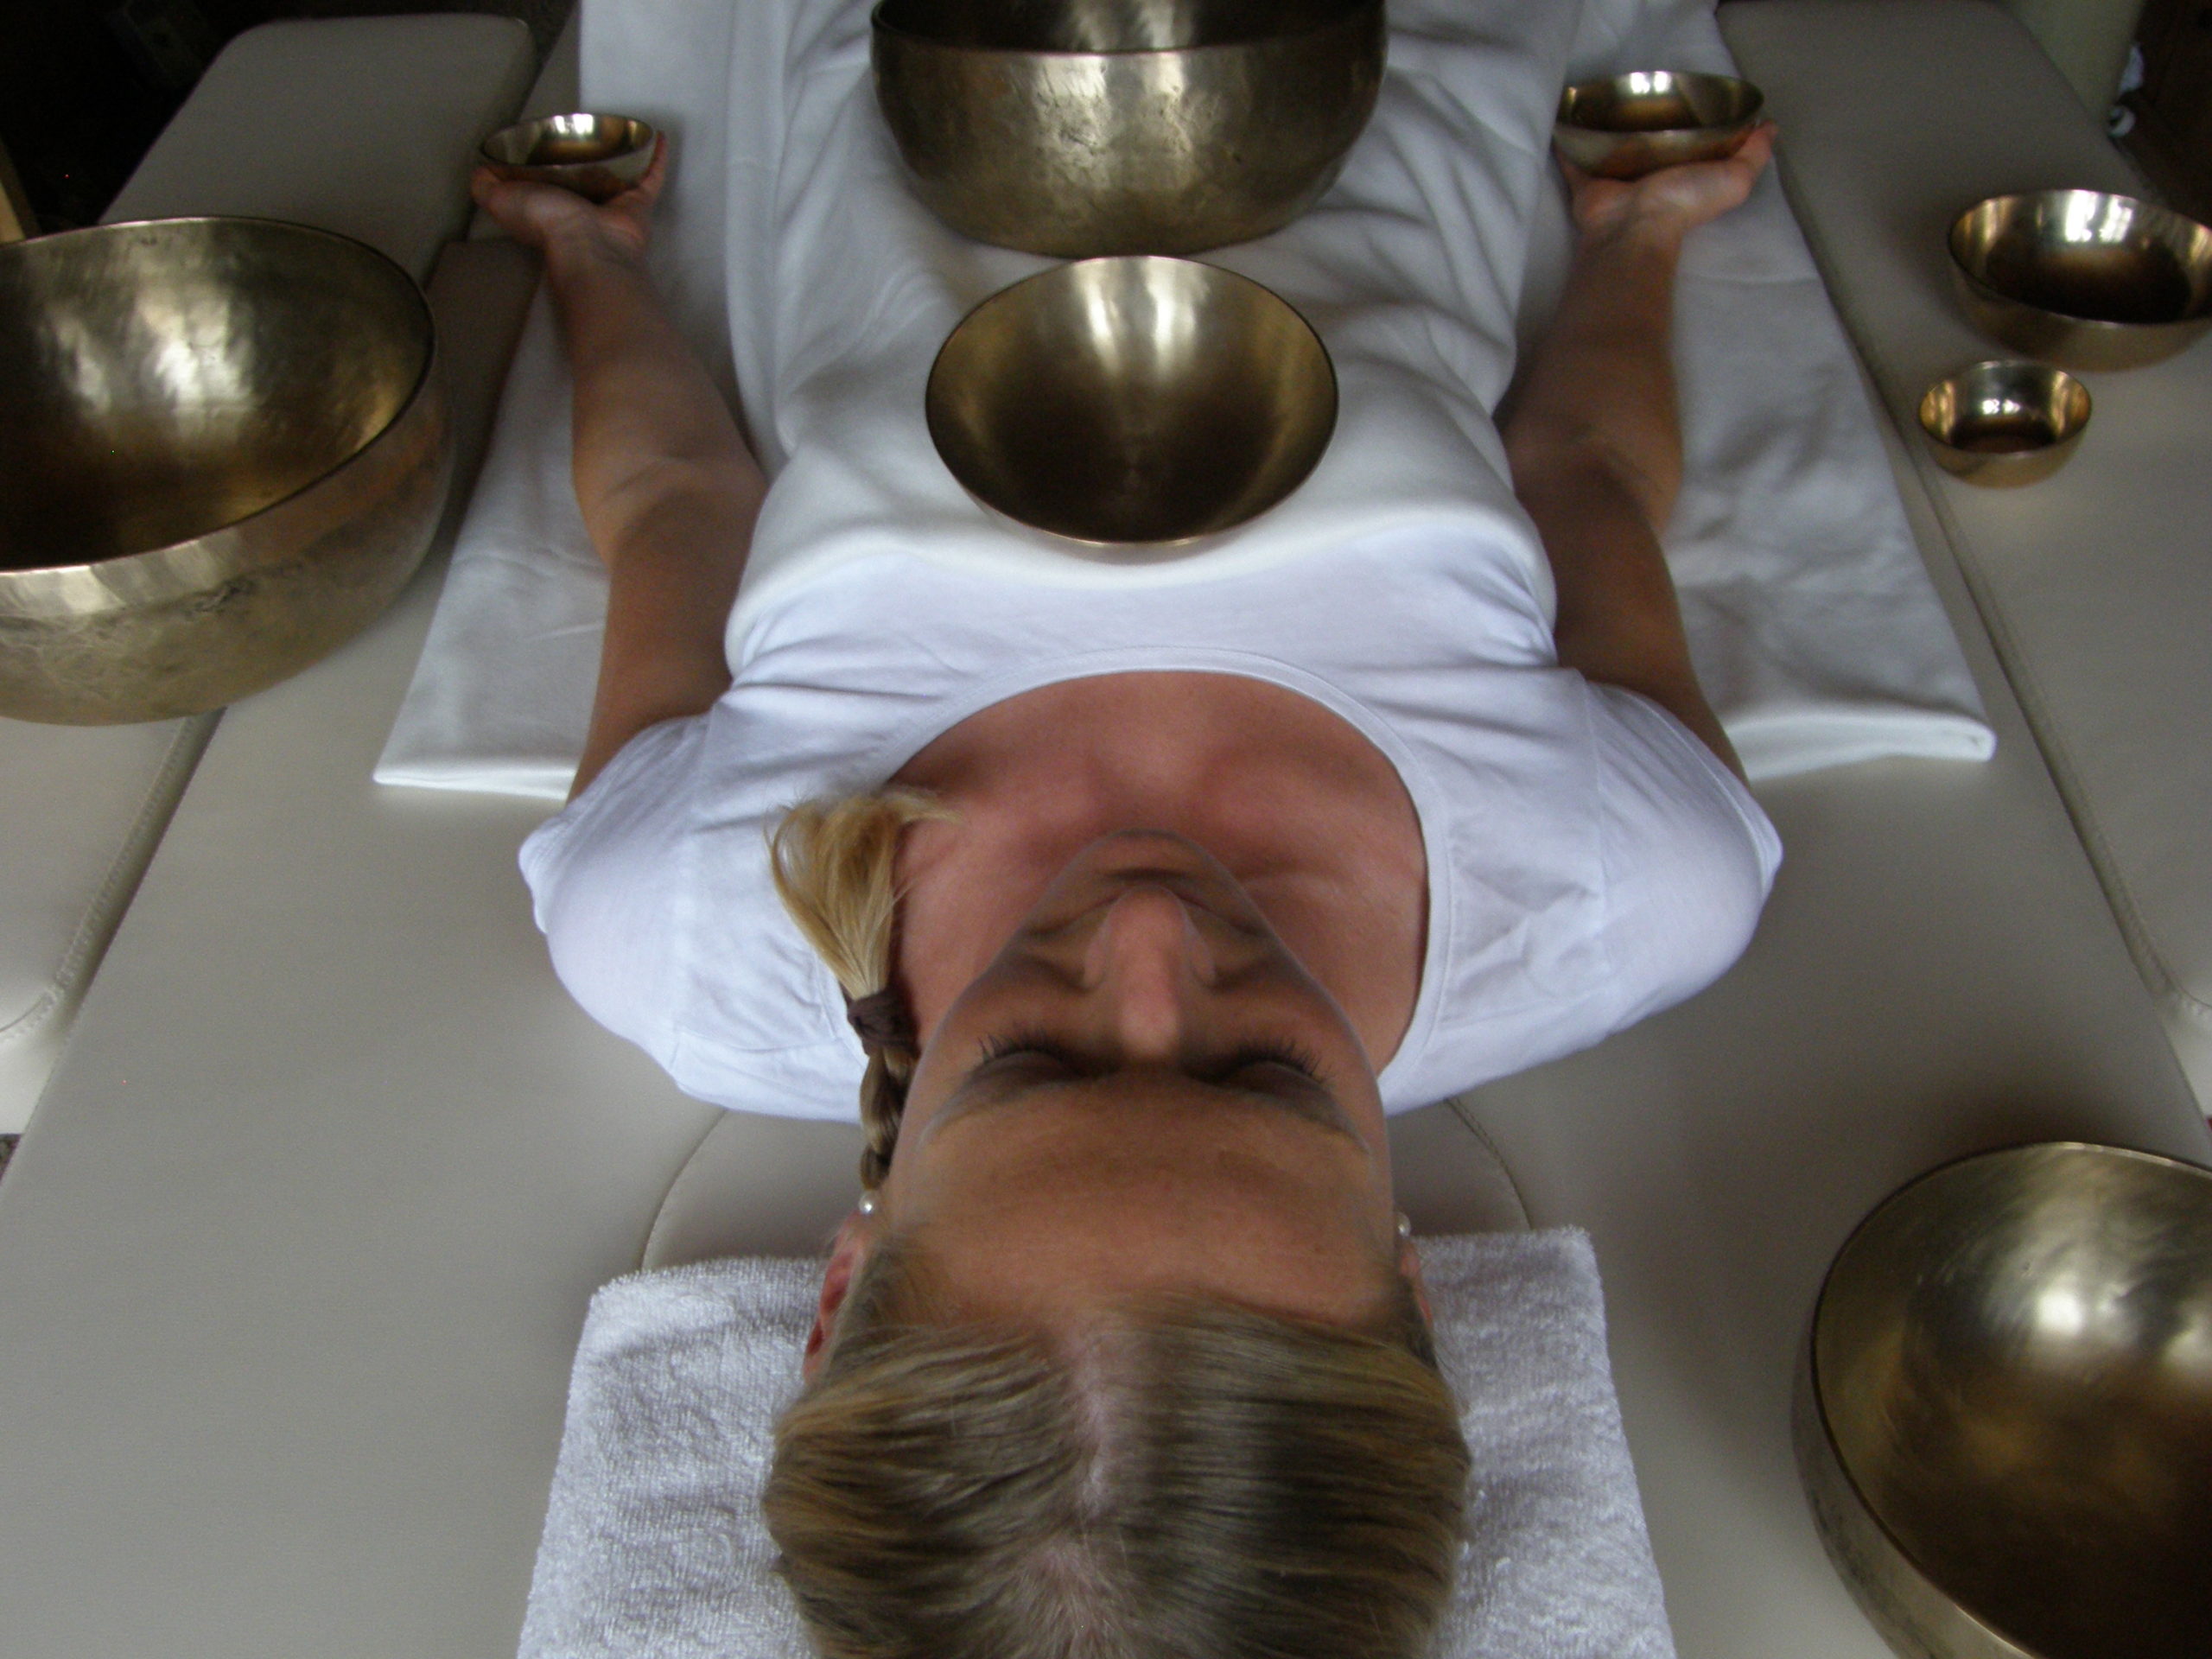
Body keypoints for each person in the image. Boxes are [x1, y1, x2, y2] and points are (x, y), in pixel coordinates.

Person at [478, 99, 1780, 1659]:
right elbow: (1588, 469)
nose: (1153, 930)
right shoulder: (1624, 879)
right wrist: (1637, 235)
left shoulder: (685, 919)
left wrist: (590, 257)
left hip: (900, 126)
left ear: (841, 1290)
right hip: (1367, 117)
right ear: (1417, 1287)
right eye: (1265, 1077)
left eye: (1031, 1060)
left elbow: (672, 503)